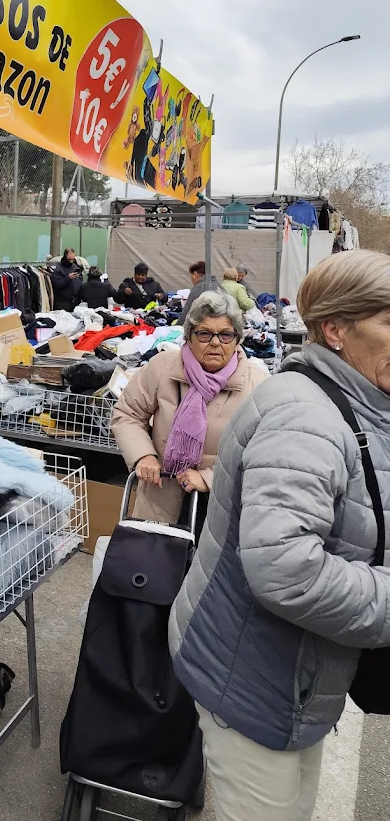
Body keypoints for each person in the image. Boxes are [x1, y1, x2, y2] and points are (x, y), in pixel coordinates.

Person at [169, 250, 390, 821]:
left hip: (299, 674)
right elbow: (286, 569)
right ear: (336, 330)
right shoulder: (305, 418)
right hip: (254, 675)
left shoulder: (357, 400)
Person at [112, 291, 266, 524]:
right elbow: (128, 414)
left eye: (225, 335)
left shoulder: (257, 384)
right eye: (204, 334)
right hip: (160, 498)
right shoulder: (163, 368)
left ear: (237, 339)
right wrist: (143, 456)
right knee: (157, 559)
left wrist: (209, 478)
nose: (215, 342)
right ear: (188, 336)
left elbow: (265, 452)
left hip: (222, 509)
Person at [176, 259, 220, 325]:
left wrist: (176, 327)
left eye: (191, 276)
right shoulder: (219, 286)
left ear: (195, 274)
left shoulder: (198, 289)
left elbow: (186, 312)